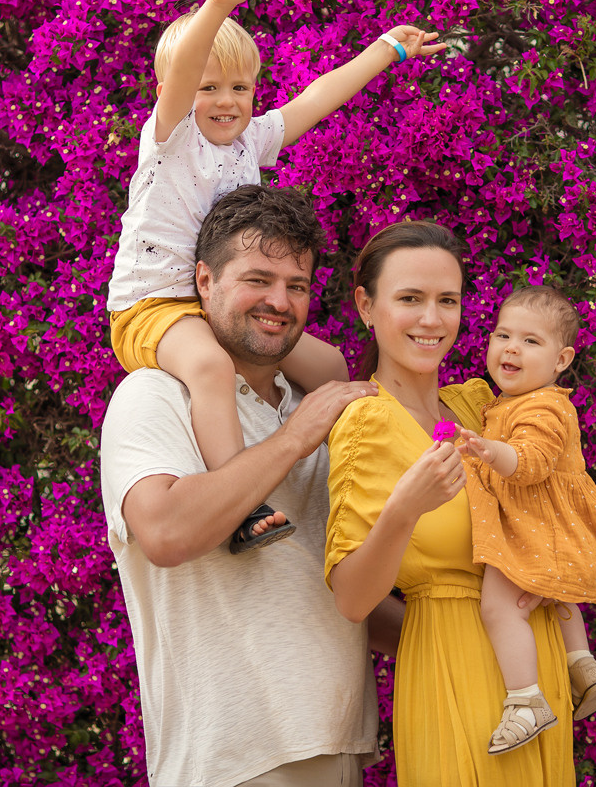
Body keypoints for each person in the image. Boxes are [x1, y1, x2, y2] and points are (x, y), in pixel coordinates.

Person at [106, 0, 446, 553]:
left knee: (331, 367)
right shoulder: (170, 137)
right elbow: (183, 72)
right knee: (210, 367)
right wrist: (218, 6)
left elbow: (317, 98)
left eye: (240, 89)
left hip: (216, 303)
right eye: (210, 88)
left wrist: (386, 49)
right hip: (152, 307)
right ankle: (242, 502)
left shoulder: (250, 142)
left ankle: (371, 485)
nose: (226, 102)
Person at [100, 185, 397, 787]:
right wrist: (294, 440)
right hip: (232, 760)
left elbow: (330, 584)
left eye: (297, 285)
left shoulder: (314, 405)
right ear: (205, 281)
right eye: (258, 279)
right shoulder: (155, 395)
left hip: (338, 745)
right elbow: (165, 532)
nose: (279, 301)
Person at [323, 221, 575, 786]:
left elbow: (561, 487)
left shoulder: (482, 407)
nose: (432, 319)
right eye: (410, 299)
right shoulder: (367, 422)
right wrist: (404, 509)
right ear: (366, 306)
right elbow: (352, 599)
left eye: (448, 301)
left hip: (536, 672)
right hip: (451, 665)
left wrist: (551, 561)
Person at [454, 284, 596, 753]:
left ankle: (526, 701)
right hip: (551, 527)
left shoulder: (544, 405)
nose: (511, 348)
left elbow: (529, 463)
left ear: (561, 360)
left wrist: (490, 451)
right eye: (503, 335)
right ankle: (581, 661)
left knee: (499, 608)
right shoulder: (515, 401)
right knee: (554, 590)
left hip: (537, 528)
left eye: (530, 341)